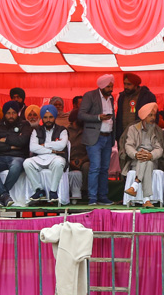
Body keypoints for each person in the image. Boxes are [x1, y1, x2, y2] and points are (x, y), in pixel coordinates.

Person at [78, 74, 117, 205]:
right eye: (108, 86)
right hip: (95, 137)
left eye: (111, 86)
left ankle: (103, 196)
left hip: (107, 136)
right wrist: (98, 117)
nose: (111, 89)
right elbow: (81, 114)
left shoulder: (111, 98)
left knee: (105, 169)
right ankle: (92, 198)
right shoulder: (90, 96)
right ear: (101, 86)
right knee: (95, 167)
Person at [0, 101, 30, 207]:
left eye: (13, 113)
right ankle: (4, 195)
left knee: (16, 165)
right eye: (8, 113)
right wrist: (11, 145)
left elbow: (23, 141)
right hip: (0, 157)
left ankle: (1, 196)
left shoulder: (24, 124)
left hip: (18, 156)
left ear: (17, 113)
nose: (11, 116)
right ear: (4, 114)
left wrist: (5, 140)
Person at [25, 104, 69, 206]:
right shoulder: (36, 130)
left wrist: (44, 145)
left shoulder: (62, 130)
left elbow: (61, 145)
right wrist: (51, 150)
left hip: (56, 158)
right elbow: (33, 147)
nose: (48, 120)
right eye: (45, 117)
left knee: (59, 163)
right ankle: (39, 190)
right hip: (40, 158)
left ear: (54, 117)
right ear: (42, 118)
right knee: (27, 163)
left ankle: (53, 191)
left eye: (50, 117)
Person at [123, 103, 164, 207]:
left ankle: (135, 185)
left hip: (151, 159)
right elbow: (128, 146)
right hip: (136, 160)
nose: (153, 118)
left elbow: (159, 148)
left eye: (154, 115)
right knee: (147, 162)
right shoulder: (133, 128)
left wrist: (151, 155)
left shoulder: (156, 130)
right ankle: (146, 200)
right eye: (150, 115)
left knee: (148, 161)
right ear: (144, 116)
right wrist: (136, 154)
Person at [115, 73, 157, 172]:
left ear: (136, 85)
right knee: (124, 159)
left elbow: (154, 116)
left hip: (142, 134)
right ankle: (126, 180)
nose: (126, 87)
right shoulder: (122, 96)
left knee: (140, 160)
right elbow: (119, 116)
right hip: (124, 134)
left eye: (129, 84)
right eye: (124, 84)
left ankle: (140, 180)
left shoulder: (147, 96)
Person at [66, 105, 90, 204]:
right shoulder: (66, 131)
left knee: (87, 167)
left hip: (84, 159)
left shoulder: (87, 132)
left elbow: (91, 150)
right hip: (68, 159)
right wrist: (69, 161)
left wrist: (82, 160)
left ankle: (84, 191)